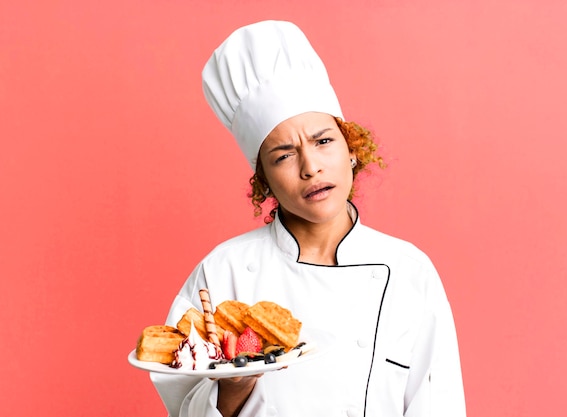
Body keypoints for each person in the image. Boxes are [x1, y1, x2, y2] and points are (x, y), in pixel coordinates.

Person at [150, 20, 466, 417]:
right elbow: (184, 409)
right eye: (283, 155)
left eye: (324, 141)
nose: (311, 167)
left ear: (351, 149)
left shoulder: (409, 272)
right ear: (263, 179)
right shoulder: (222, 273)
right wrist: (232, 388)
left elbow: (439, 406)